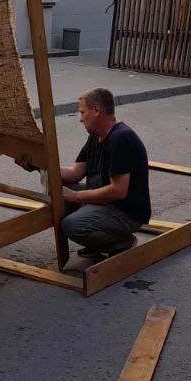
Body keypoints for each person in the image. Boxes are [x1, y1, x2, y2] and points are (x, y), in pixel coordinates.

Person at [59, 87, 151, 257]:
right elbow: (75, 173)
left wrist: (76, 196)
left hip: (126, 211)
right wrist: (39, 165)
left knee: (72, 225)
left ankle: (122, 242)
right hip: (107, 201)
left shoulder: (121, 138)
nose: (80, 118)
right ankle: (97, 239)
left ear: (96, 111)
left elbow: (118, 191)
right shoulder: (95, 136)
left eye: (82, 112)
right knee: (60, 193)